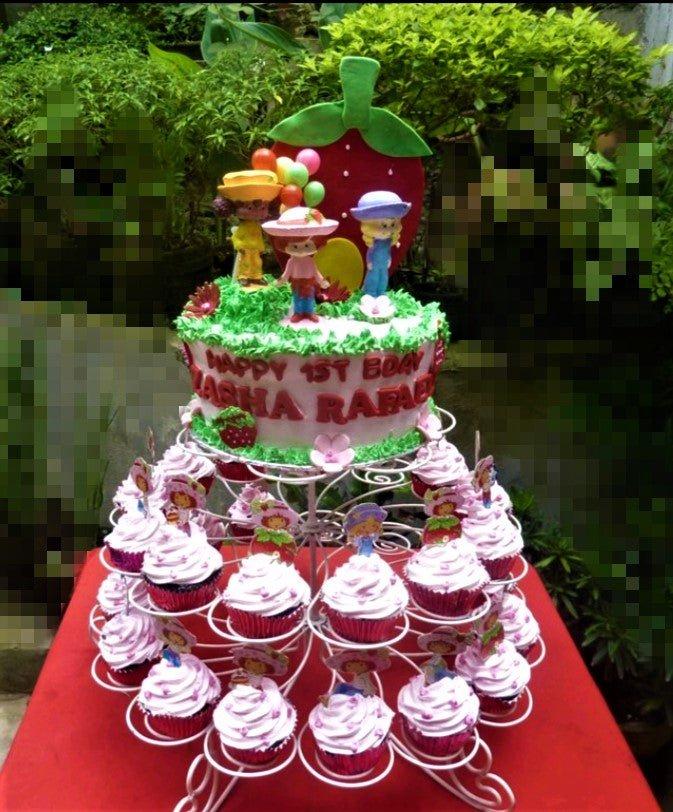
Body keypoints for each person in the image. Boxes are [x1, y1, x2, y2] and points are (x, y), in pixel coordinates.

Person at [262, 207, 339, 323]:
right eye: (295, 247)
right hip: (297, 284)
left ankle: (309, 313)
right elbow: (286, 273)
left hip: (309, 283)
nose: (302, 250)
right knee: (298, 299)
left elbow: (316, 272)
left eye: (307, 246)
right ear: (284, 245)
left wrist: (322, 281)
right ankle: (298, 313)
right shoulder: (291, 261)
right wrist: (280, 281)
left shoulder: (310, 261)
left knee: (309, 299)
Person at [350, 191, 411, 298]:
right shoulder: (374, 242)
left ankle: (381, 292)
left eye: (392, 224)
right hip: (374, 264)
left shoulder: (388, 241)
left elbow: (387, 251)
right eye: (383, 225)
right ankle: (371, 293)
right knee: (373, 277)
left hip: (384, 264)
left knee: (383, 277)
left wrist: (389, 260)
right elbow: (370, 251)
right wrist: (369, 261)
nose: (388, 229)